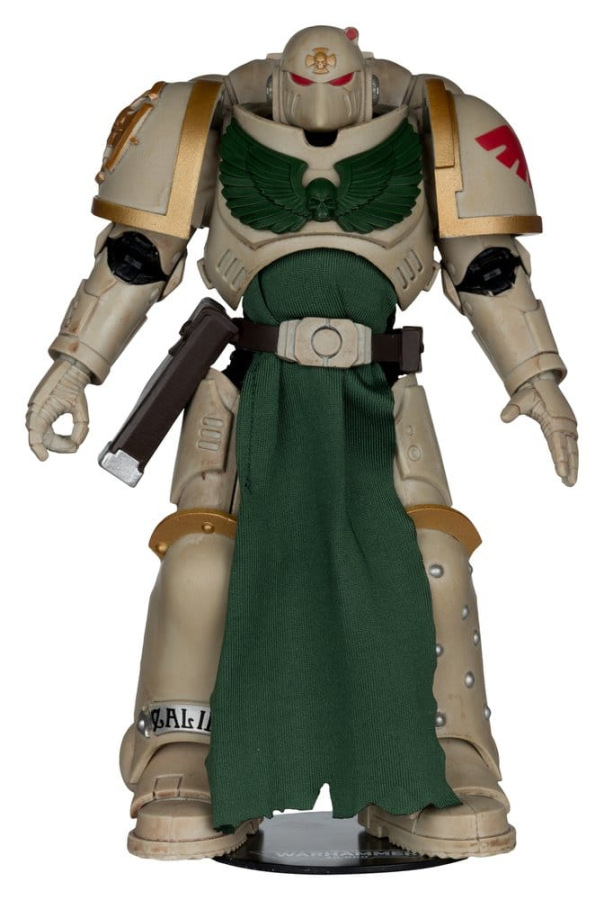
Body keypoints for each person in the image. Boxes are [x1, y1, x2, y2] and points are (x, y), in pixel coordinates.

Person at [26, 25, 578, 861]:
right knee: (204, 562)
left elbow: (490, 268)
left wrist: (535, 379)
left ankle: (441, 755)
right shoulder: (202, 121)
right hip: (253, 396)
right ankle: (185, 751)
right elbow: (137, 257)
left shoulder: (439, 125)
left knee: (431, 557)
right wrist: (75, 366)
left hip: (376, 402)